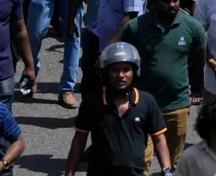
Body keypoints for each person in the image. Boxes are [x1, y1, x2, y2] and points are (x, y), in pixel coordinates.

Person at [120, 0, 207, 169]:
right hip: (142, 105)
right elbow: (125, 64)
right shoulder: (135, 27)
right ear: (154, 1)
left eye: (175, 0)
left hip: (177, 105)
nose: (172, 5)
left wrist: (193, 89)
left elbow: (198, 61)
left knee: (174, 164)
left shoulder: (193, 27)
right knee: (140, 161)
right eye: (166, 1)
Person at [64, 42, 174, 176]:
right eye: (115, 70)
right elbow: (79, 141)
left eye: (126, 69)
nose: (121, 75)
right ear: (105, 73)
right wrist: (69, 174)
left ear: (135, 72)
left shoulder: (147, 101)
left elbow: (159, 139)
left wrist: (167, 170)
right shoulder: (92, 102)